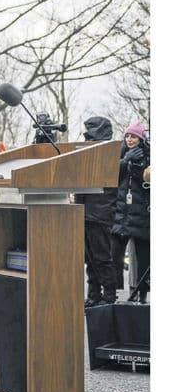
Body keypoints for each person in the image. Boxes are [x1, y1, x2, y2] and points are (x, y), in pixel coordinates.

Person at [74, 115, 118, 307]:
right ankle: (94, 295)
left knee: (101, 258)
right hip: (85, 211)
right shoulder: (85, 152)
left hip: (99, 213)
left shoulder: (108, 154)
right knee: (90, 259)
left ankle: (109, 296)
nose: (87, 134)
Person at [111, 121, 150, 303]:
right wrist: (125, 160)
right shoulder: (121, 154)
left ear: (140, 139)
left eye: (133, 136)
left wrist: (139, 166)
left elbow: (147, 182)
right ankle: (114, 292)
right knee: (114, 256)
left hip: (141, 215)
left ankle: (142, 295)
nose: (129, 139)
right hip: (121, 214)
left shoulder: (148, 156)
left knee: (143, 259)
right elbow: (110, 175)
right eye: (127, 136)